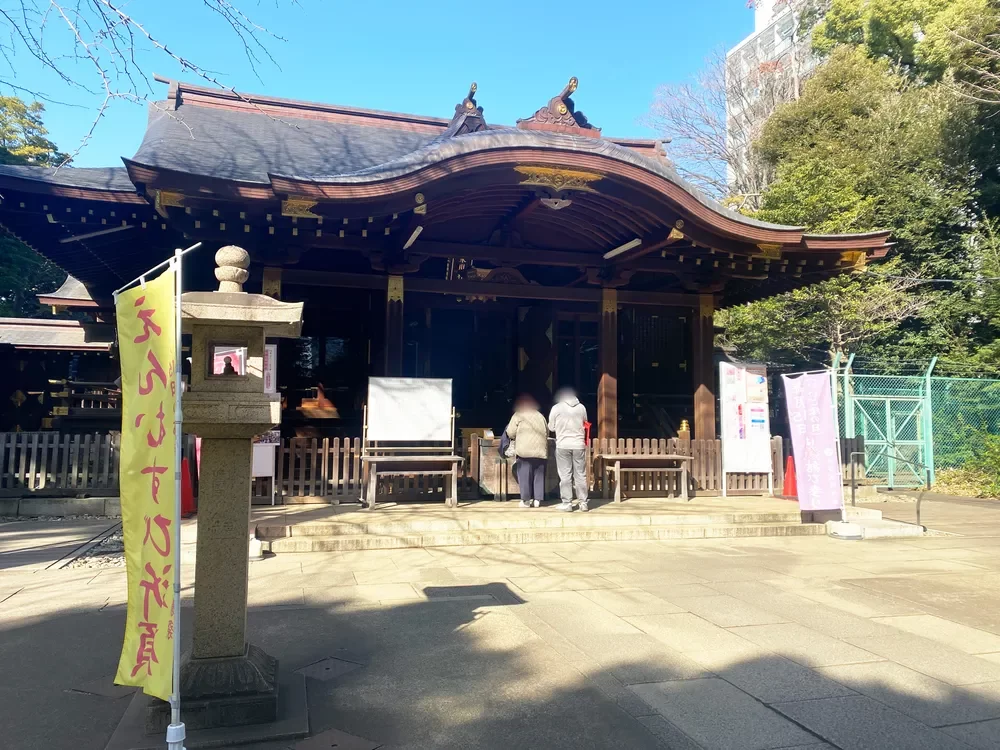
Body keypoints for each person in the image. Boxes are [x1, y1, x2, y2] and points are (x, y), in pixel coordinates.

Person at [503, 394, 549, 508]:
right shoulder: (540, 416)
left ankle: (526, 500)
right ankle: (538, 500)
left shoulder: (518, 414)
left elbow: (510, 432)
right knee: (539, 474)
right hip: (540, 450)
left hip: (524, 450)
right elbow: (547, 432)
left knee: (524, 475)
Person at [548, 387, 589, 512]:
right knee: (580, 474)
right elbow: (585, 423)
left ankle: (567, 503)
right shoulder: (581, 407)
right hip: (579, 444)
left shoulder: (556, 408)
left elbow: (551, 427)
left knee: (565, 475)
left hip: (563, 445)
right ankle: (583, 502)